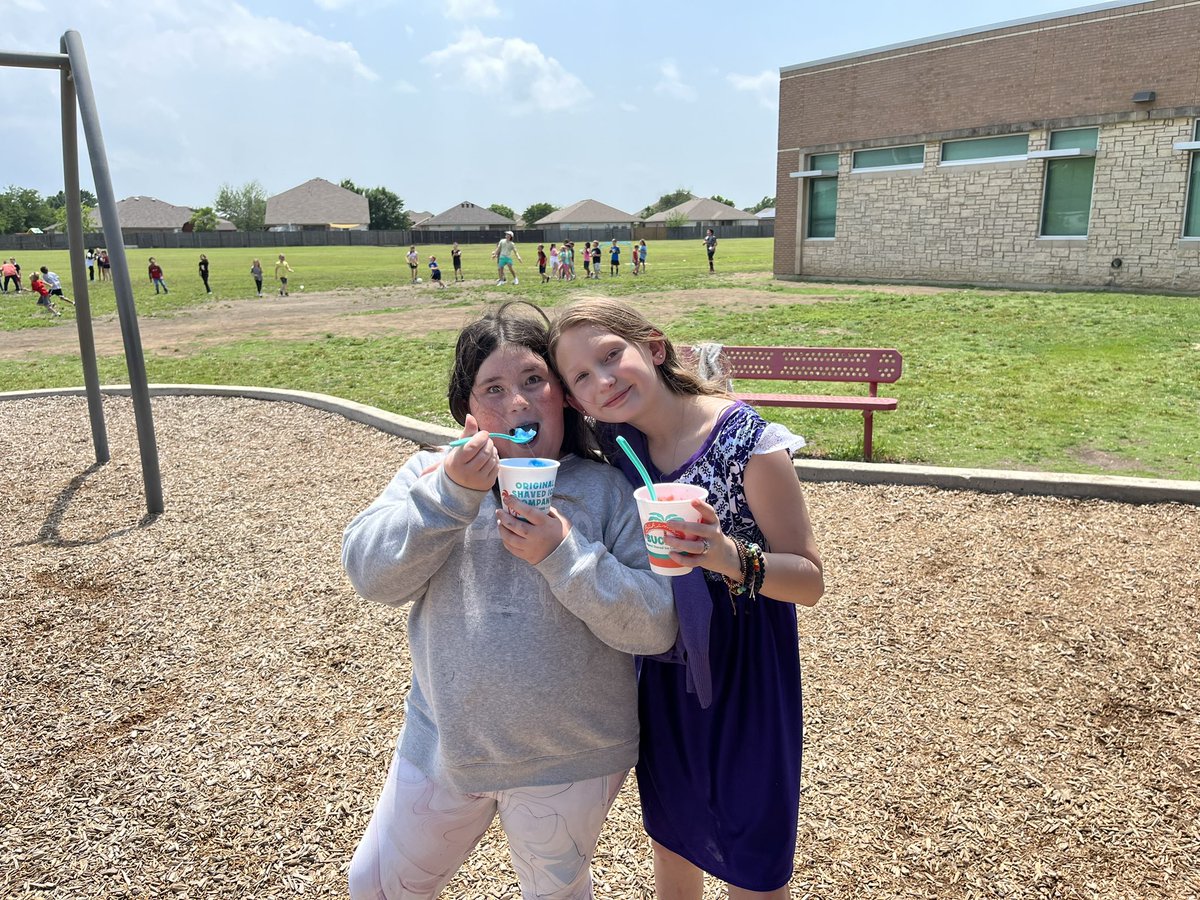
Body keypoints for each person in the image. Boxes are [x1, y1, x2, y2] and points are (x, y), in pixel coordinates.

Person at [341, 301, 677, 899]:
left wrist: (562, 552)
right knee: (374, 885)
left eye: (533, 381)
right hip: (444, 748)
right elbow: (371, 576)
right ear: (468, 409)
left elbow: (654, 626)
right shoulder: (429, 473)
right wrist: (449, 495)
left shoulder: (604, 490)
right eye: (492, 388)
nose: (516, 403)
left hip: (572, 758)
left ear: (564, 398)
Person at [549, 298, 825, 899]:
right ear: (576, 401)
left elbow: (809, 579)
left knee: (753, 856)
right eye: (581, 377)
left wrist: (727, 555)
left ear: (652, 347)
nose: (603, 380)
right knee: (675, 844)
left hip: (748, 673)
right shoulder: (616, 443)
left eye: (611, 355)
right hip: (665, 668)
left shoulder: (746, 441)